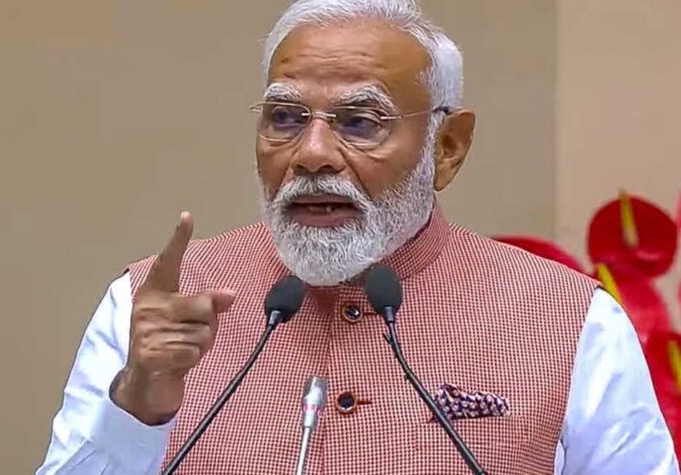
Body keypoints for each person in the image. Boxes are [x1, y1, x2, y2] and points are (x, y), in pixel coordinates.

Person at [37, 0, 679, 474]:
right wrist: (139, 403)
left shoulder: (570, 320)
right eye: (285, 118)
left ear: (448, 147)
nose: (311, 153)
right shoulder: (151, 309)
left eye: (360, 122)